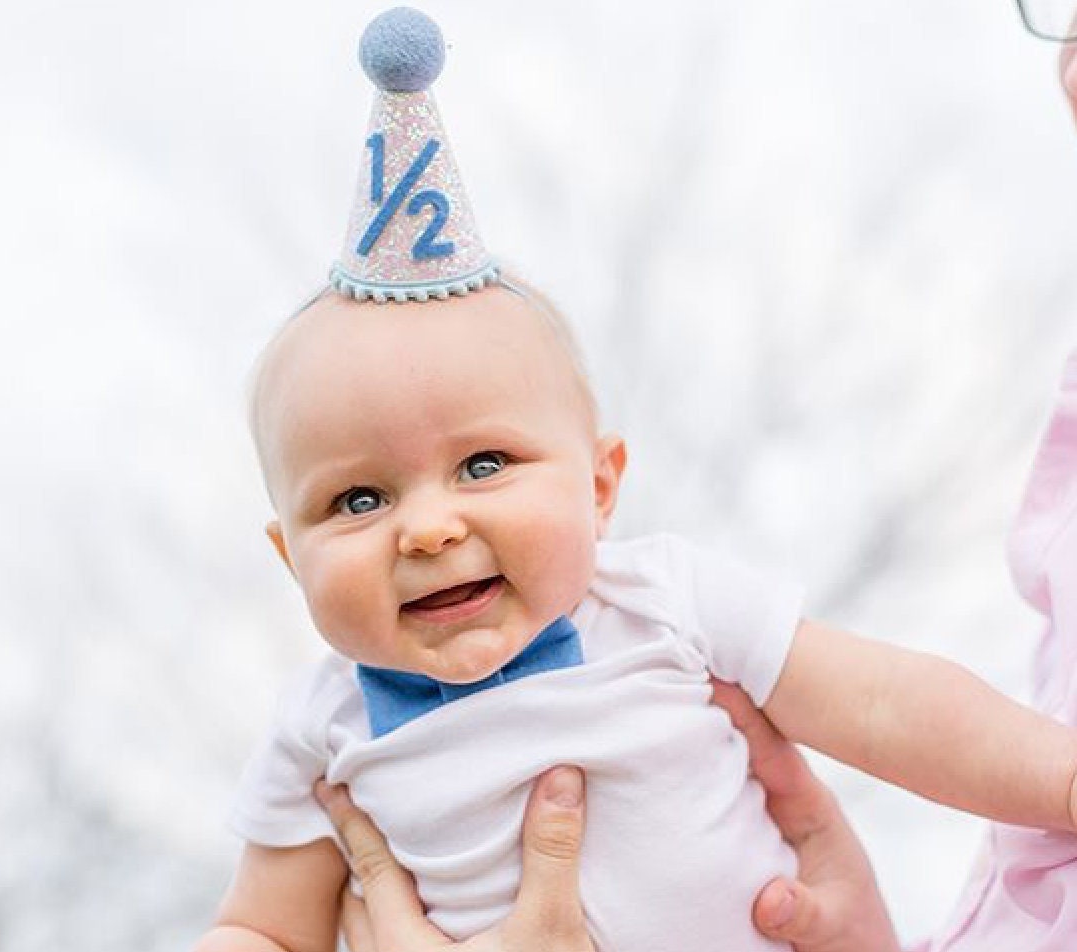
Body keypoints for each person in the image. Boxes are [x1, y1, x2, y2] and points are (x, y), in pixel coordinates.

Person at [196, 8, 1077, 952]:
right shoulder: (322, 728)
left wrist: (1062, 780)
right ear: (289, 554)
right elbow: (261, 928)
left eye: (484, 464)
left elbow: (883, 705)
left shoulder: (663, 600)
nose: (428, 528)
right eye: (358, 501)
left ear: (601, 486)